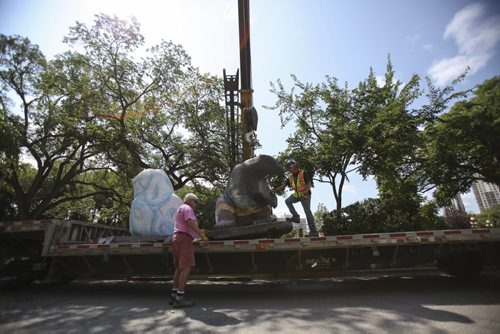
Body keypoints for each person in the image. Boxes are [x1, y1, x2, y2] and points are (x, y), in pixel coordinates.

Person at [170, 193, 208, 308]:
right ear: (191, 200)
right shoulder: (187, 208)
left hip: (176, 237)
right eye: (196, 202)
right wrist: (202, 234)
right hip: (184, 239)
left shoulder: (180, 209)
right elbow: (190, 222)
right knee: (186, 267)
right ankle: (180, 298)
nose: (196, 205)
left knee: (179, 268)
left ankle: (174, 294)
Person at [273, 159, 319, 237]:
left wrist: (305, 192)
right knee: (288, 201)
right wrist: (274, 190)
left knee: (307, 212)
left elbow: (309, 184)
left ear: (294, 166)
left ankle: (314, 232)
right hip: (297, 194)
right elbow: (283, 185)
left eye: (290, 167)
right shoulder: (290, 176)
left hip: (305, 194)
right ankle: (296, 217)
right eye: (289, 168)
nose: (290, 169)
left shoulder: (303, 173)